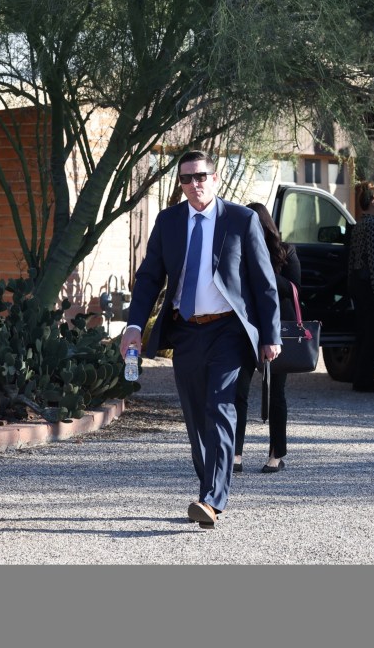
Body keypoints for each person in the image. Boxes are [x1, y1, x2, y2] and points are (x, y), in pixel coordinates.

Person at [120, 150, 281, 530]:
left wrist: (271, 334)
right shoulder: (169, 221)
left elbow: (264, 281)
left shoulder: (241, 220)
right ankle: (209, 486)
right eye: (187, 179)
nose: (195, 184)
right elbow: (148, 279)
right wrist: (134, 326)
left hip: (228, 330)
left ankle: (211, 499)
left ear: (215, 177)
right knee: (195, 416)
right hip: (187, 329)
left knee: (220, 408)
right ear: (180, 184)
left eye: (201, 176)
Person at [232, 202, 300, 474]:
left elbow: (294, 288)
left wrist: (264, 273)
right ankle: (235, 454)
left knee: (276, 394)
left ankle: (276, 454)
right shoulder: (237, 252)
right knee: (239, 392)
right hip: (246, 328)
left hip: (277, 330)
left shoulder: (286, 252)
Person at [347, 181, 374, 393]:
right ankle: (365, 380)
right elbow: (372, 259)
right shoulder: (373, 226)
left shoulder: (359, 224)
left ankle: (359, 376)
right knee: (373, 335)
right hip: (369, 285)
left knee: (362, 333)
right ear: (372, 203)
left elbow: (353, 257)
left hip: (358, 283)